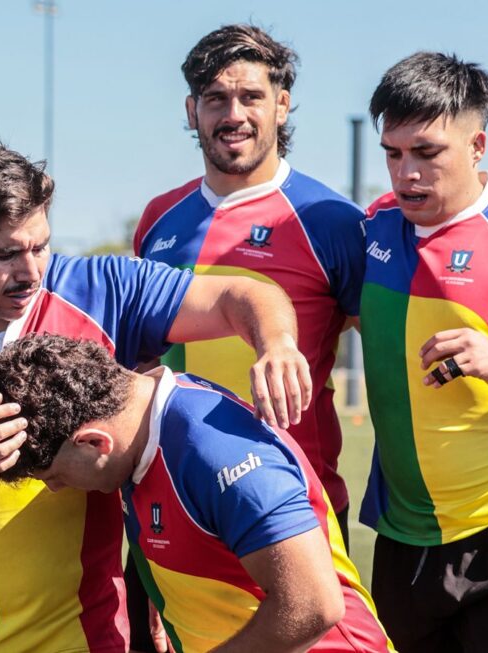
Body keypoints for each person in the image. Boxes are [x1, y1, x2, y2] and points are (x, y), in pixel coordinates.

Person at [0, 141, 310, 652]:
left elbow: (244, 294)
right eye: (4, 254)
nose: (30, 272)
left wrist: (278, 344)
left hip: (84, 639)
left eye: (40, 246)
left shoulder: (102, 290)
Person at [131, 25, 367, 653]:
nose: (233, 114)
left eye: (251, 97)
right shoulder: (158, 220)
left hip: (296, 509)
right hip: (171, 507)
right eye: (215, 98)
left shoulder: (332, 223)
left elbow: (389, 352)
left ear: (281, 105)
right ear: (192, 110)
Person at [0, 334, 393, 653]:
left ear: (95, 442)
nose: (56, 488)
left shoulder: (220, 454)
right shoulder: (134, 423)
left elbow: (313, 607)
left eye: (54, 474)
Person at [359, 51, 488, 653]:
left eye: (427, 153)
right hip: (402, 540)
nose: (407, 174)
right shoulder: (375, 226)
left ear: (477, 146)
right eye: (393, 154)